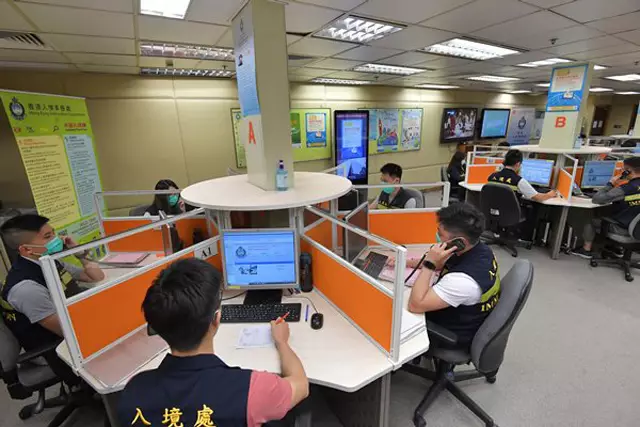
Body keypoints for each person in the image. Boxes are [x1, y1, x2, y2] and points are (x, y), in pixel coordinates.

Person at [118, 259, 309, 427]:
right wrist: (282, 342)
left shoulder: (133, 391)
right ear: (216, 320)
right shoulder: (252, 389)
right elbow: (301, 385)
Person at [0, 214, 105, 385]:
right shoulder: (26, 288)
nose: (57, 239)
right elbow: (70, 333)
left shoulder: (47, 262)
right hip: (53, 348)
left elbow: (95, 276)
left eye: (54, 233)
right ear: (27, 250)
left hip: (72, 323)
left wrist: (80, 254)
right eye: (48, 237)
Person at [406, 203, 500, 349]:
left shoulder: (463, 281)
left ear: (460, 242)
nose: (437, 237)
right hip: (459, 313)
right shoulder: (480, 249)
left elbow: (415, 305)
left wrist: (429, 265)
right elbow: (441, 263)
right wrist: (406, 262)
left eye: (440, 234)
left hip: (451, 333)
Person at [572, 156, 640, 259]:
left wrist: (610, 184)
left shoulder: (626, 189)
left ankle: (586, 250)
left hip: (624, 230)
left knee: (591, 219)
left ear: (628, 171)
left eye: (622, 169)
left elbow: (597, 199)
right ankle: (616, 248)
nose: (621, 171)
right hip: (636, 228)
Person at [488, 150, 558, 202]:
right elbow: (538, 198)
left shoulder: (491, 176)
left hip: (490, 212)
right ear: (518, 164)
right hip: (510, 214)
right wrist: (549, 194)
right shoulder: (519, 181)